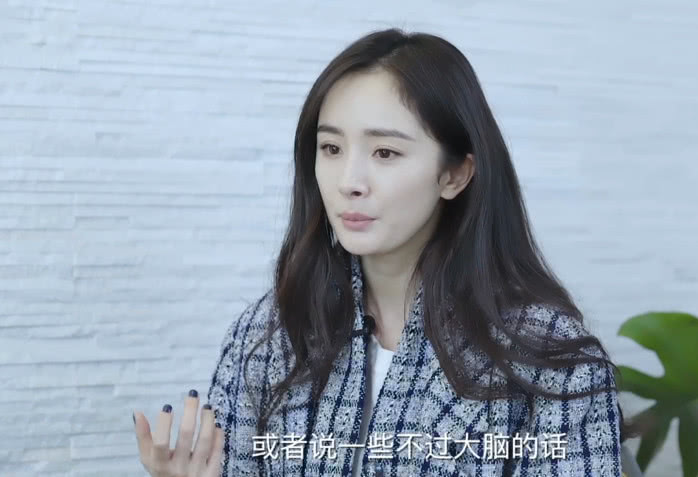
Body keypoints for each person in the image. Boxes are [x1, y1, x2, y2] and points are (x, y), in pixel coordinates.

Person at [133, 27, 641, 476]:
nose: (349, 182)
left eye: (385, 152)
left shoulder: (549, 359)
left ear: (454, 174)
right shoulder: (270, 336)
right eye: (331, 149)